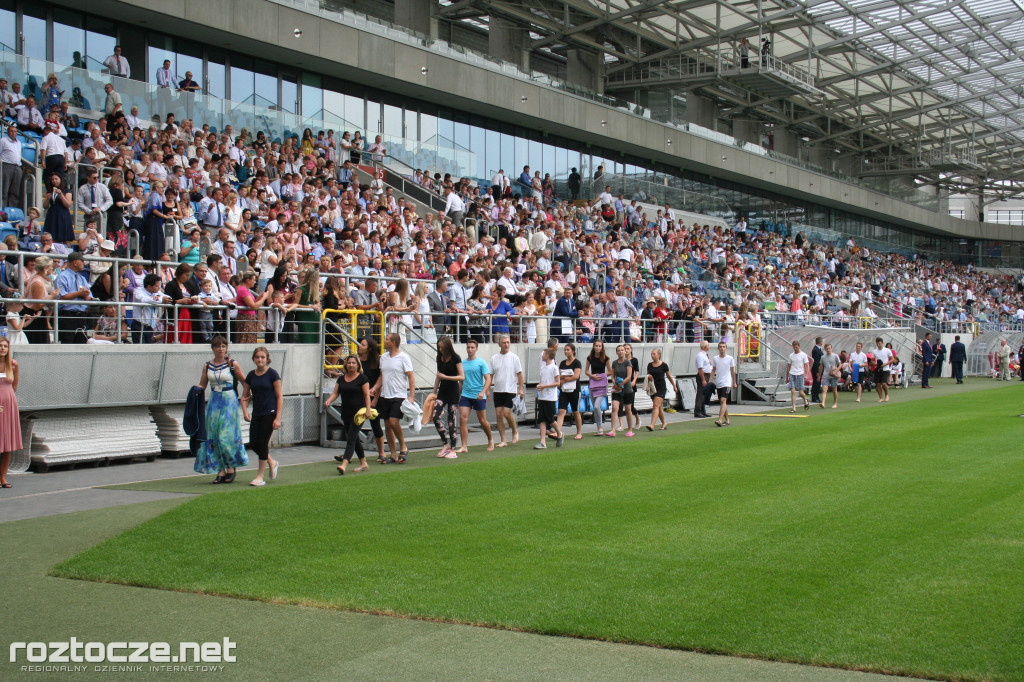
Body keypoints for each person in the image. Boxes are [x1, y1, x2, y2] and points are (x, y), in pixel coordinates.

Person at [194, 336, 248, 483]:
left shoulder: (232, 364)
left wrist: (244, 399)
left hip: (229, 400)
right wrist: (194, 392)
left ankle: (231, 466)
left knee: (226, 436)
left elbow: (245, 382)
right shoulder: (207, 366)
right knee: (214, 436)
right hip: (214, 401)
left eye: (223, 346)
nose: (221, 349)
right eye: (218, 346)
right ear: (213, 348)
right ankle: (220, 469)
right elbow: (202, 384)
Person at [323, 354, 373, 475]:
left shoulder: (363, 378)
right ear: (346, 365)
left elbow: (367, 395)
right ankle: (363, 462)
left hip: (358, 414)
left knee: (351, 438)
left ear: (358, 365)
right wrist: (329, 400)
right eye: (349, 363)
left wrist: (368, 409)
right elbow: (336, 393)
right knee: (354, 439)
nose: (351, 365)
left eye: (353, 363)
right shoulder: (341, 378)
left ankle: (344, 464)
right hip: (346, 413)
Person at [240, 347, 283, 486]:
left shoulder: (272, 374)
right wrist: (245, 411)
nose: (260, 359)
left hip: (269, 412)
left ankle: (260, 476)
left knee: (263, 444)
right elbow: (245, 396)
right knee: (253, 443)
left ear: (267, 358)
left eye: (262, 357)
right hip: (257, 412)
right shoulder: (251, 375)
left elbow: (279, 396)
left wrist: (278, 417)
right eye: (257, 357)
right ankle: (272, 461)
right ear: (254, 358)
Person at [379, 332, 415, 464]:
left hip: (398, 395)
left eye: (387, 339)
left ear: (393, 342)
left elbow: (411, 376)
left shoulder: (403, 357)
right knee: (387, 425)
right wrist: (375, 389)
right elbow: (382, 376)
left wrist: (411, 396)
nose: (384, 340)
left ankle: (403, 446)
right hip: (385, 394)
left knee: (394, 422)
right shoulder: (383, 357)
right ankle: (393, 454)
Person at [457, 339, 494, 454]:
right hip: (466, 395)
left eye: (472, 347)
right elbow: (461, 381)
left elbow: (488, 379)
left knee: (482, 420)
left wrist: (483, 392)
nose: (470, 349)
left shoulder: (481, 362)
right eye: (468, 347)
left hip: (478, 395)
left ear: (476, 349)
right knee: (463, 419)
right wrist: (459, 394)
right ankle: (464, 446)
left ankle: (491, 440)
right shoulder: (462, 363)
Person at [489, 334, 524, 448]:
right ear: (499, 344)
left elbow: (520, 374)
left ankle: (515, 431)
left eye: (508, 342)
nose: (506, 344)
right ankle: (503, 439)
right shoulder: (494, 358)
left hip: (510, 390)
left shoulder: (514, 358)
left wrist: (520, 389)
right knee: (499, 415)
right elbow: (491, 375)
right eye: (504, 342)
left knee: (507, 414)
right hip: (498, 390)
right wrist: (488, 390)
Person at [431, 335, 463, 459]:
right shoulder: (439, 358)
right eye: (439, 347)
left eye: (442, 347)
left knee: (451, 421)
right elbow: (438, 376)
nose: (440, 350)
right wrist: (434, 392)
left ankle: (453, 448)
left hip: (453, 391)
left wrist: (446, 377)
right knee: (435, 416)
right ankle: (446, 443)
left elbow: (461, 377)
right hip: (442, 392)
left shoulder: (456, 358)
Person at [357, 337, 386, 459]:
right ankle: (350, 454)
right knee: (354, 425)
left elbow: (380, 380)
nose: (359, 346)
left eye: (362, 345)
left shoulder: (376, 362)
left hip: (374, 397)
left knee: (375, 425)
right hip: (359, 397)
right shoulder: (358, 361)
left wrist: (375, 399)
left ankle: (381, 453)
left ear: (369, 348)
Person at [0, 337, 20, 488]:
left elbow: (14, 385)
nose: (2, 348)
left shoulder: (13, 365)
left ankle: (3, 477)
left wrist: (7, 401)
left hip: (9, 405)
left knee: (7, 443)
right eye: (0, 346)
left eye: (5, 346)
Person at [554, 342, 584, 443]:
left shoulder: (577, 363)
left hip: (574, 390)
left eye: (568, 350)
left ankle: (579, 432)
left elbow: (576, 376)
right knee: (561, 411)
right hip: (564, 390)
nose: (566, 351)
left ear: (573, 351)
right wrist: (565, 377)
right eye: (565, 350)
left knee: (575, 411)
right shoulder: (562, 363)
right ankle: (558, 432)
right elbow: (559, 375)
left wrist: (566, 379)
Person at [534, 348, 559, 450]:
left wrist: (544, 386)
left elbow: (558, 383)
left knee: (550, 419)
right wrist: (540, 386)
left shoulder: (554, 368)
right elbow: (542, 381)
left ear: (548, 356)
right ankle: (542, 442)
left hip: (550, 397)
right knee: (542, 419)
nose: (542, 356)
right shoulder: (543, 368)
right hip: (543, 397)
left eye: (544, 354)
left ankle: (559, 433)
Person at [708, 341, 737, 427]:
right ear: (718, 348)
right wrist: (710, 380)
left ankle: (720, 419)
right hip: (719, 382)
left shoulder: (730, 358)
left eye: (724, 347)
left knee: (723, 400)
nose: (722, 348)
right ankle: (727, 419)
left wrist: (734, 382)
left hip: (727, 382)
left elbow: (733, 371)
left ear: (726, 348)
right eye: (720, 347)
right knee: (723, 403)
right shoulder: (715, 358)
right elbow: (713, 370)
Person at [608, 344, 634, 437]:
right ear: (616, 352)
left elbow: (629, 376)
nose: (620, 352)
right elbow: (612, 375)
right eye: (618, 350)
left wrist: (621, 384)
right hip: (617, 389)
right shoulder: (614, 363)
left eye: (622, 350)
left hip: (627, 389)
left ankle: (630, 430)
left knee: (628, 410)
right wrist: (615, 384)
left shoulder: (628, 362)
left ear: (625, 351)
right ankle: (613, 430)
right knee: (615, 408)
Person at [586, 339, 610, 436]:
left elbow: (610, 371)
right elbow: (586, 370)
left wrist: (601, 376)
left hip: (602, 384)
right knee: (595, 407)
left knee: (597, 406)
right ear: (593, 346)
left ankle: (600, 427)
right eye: (596, 346)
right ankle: (598, 427)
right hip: (592, 383)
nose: (598, 348)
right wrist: (592, 376)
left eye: (599, 346)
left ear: (602, 347)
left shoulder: (605, 358)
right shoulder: (590, 357)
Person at [43, 173, 74, 244]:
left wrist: (61, 195)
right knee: (52, 236)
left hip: (62, 214)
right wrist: (47, 199)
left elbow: (68, 205)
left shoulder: (66, 190)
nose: (54, 181)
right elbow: (45, 206)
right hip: (52, 214)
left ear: (60, 180)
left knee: (65, 238)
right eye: (53, 179)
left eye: (56, 179)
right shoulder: (50, 191)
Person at [646, 348, 672, 431]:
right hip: (653, 388)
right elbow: (648, 375)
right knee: (659, 406)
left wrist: (674, 386)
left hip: (661, 388)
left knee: (656, 405)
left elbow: (669, 376)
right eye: (651, 354)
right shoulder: (649, 365)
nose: (652, 355)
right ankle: (664, 423)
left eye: (654, 354)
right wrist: (648, 377)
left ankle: (652, 425)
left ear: (659, 355)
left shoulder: (664, 365)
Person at [786, 340, 811, 412]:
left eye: (796, 347)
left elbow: (807, 365)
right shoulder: (791, 355)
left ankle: (805, 399)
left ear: (799, 346)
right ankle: (794, 407)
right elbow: (788, 367)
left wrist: (806, 374)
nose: (795, 348)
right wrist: (787, 377)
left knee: (801, 392)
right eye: (794, 347)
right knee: (793, 391)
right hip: (792, 374)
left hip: (800, 374)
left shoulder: (803, 355)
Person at [818, 343, 841, 409]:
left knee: (834, 390)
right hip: (826, 375)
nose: (828, 350)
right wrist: (819, 375)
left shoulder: (835, 356)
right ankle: (823, 403)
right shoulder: (823, 357)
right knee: (824, 389)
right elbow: (821, 366)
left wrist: (835, 371)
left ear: (831, 348)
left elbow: (840, 365)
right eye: (826, 349)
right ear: (825, 349)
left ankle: (835, 403)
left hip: (834, 376)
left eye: (829, 348)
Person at [693, 340, 712, 418]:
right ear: (705, 346)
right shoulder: (700, 355)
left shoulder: (705, 355)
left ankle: (702, 410)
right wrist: (703, 379)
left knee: (704, 394)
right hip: (703, 375)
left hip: (707, 374)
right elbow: (700, 368)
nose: (709, 346)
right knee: (700, 394)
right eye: (708, 345)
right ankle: (697, 411)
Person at [873, 337, 894, 402]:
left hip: (886, 369)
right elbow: (873, 361)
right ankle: (881, 397)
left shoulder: (887, 350)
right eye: (877, 343)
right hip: (878, 369)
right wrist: (876, 364)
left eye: (879, 343)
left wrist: (885, 364)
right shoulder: (874, 351)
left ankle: (887, 394)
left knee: (884, 383)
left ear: (882, 343)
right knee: (878, 384)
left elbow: (892, 359)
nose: (878, 345)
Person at [810, 336, 824, 405]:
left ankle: (817, 396)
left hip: (818, 369)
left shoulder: (818, 349)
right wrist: (818, 371)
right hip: (816, 369)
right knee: (816, 383)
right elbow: (816, 362)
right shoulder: (816, 350)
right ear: (821, 342)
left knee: (817, 383)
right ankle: (814, 397)